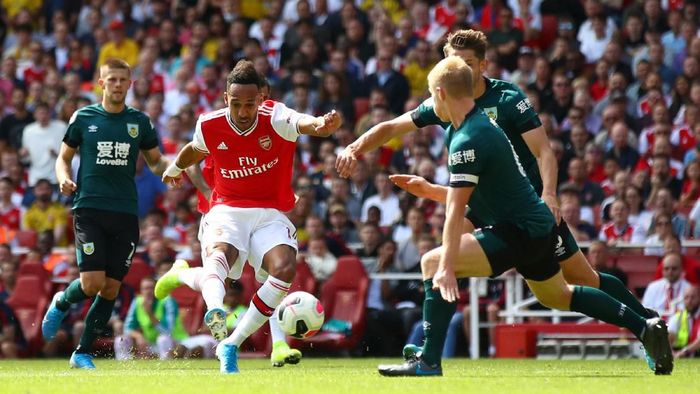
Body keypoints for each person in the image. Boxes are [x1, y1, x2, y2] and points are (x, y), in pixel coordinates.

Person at [336, 28, 658, 364]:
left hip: (526, 205)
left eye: (468, 61)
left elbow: (544, 152)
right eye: (453, 59)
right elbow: (390, 127)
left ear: (483, 64)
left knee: (581, 278)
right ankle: (431, 346)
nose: (459, 65)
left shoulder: (505, 99)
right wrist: (355, 148)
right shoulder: (445, 101)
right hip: (486, 205)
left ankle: (647, 323)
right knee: (464, 266)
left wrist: (550, 194)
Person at [156, 60, 342, 374]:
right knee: (222, 259)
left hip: (269, 213)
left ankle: (230, 343)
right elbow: (194, 149)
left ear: (260, 99)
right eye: (237, 104)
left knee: (283, 269)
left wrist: (321, 125)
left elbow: (304, 123)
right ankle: (214, 309)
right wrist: (174, 168)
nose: (244, 112)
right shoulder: (210, 124)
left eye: (250, 104)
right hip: (227, 208)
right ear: (226, 100)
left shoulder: (276, 116)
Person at [42, 58, 171, 370]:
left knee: (111, 287)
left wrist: (175, 169)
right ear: (101, 83)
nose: (116, 85)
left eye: (121, 80)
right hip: (89, 209)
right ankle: (61, 300)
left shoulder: (139, 121)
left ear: (129, 84)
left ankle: (81, 353)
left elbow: (155, 161)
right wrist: (62, 177)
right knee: (91, 284)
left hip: (126, 212)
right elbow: (64, 157)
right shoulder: (84, 117)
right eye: (110, 80)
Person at [668, 286, 700, 358]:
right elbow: (668, 337)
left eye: (693, 297)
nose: (689, 301)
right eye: (686, 297)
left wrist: (684, 352)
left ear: (699, 299)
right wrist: (671, 353)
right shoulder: (678, 317)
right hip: (681, 355)